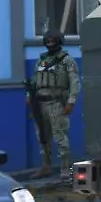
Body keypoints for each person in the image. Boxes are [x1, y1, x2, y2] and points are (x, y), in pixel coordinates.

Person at [28, 30, 81, 180]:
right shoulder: (41, 61)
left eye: (53, 41)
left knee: (60, 136)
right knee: (43, 137)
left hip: (56, 103)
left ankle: (65, 167)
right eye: (48, 41)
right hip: (39, 103)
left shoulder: (66, 60)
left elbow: (75, 82)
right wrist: (28, 96)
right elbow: (34, 81)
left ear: (59, 41)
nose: (50, 43)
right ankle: (46, 167)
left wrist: (71, 102)